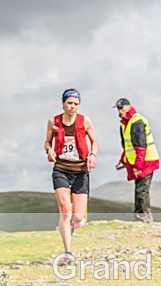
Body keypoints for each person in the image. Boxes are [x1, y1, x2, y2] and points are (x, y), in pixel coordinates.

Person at [44, 88, 99, 265]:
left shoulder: (85, 121)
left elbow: (94, 141)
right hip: (61, 169)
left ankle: (75, 223)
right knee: (65, 210)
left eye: (75, 104)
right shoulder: (54, 121)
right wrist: (49, 149)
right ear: (63, 103)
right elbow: (47, 141)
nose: (72, 107)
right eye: (69, 103)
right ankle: (68, 252)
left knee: (77, 217)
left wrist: (92, 155)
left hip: (81, 170)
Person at [115, 98, 160, 223]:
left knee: (142, 190)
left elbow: (140, 146)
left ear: (129, 107)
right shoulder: (125, 124)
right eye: (118, 108)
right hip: (139, 162)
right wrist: (123, 161)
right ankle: (141, 217)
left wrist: (137, 166)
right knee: (140, 189)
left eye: (121, 108)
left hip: (146, 161)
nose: (119, 111)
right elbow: (128, 147)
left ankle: (143, 217)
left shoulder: (136, 122)